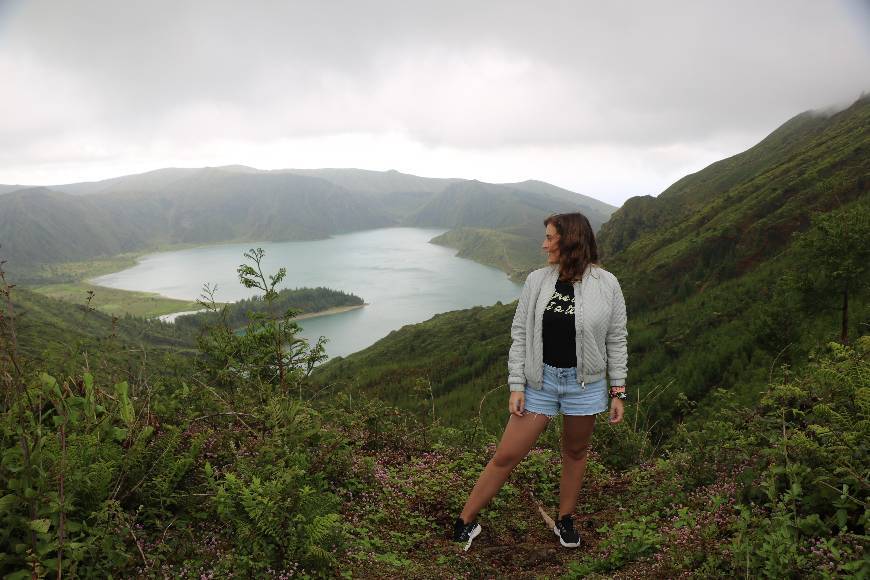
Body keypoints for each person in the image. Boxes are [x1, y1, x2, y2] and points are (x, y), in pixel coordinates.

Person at [452, 212, 628, 551]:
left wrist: (617, 391)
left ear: (570, 242)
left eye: (550, 238)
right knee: (506, 454)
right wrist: (517, 384)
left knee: (575, 452)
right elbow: (520, 333)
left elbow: (616, 339)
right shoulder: (537, 281)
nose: (543, 244)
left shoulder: (608, 285)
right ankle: (465, 521)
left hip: (585, 386)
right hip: (541, 382)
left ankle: (565, 519)